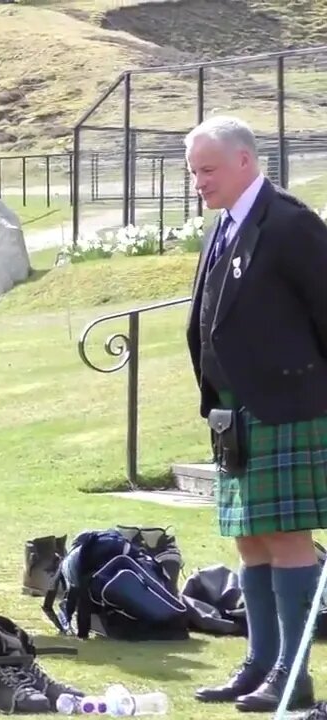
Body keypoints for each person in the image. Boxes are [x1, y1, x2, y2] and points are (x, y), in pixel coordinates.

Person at [186, 115, 327, 713]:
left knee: (287, 536)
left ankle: (294, 676)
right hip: (233, 413)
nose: (199, 182)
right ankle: (261, 664)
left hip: (288, 406)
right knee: (248, 540)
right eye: (194, 171)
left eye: (208, 170)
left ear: (246, 161)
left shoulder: (292, 225)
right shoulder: (223, 228)